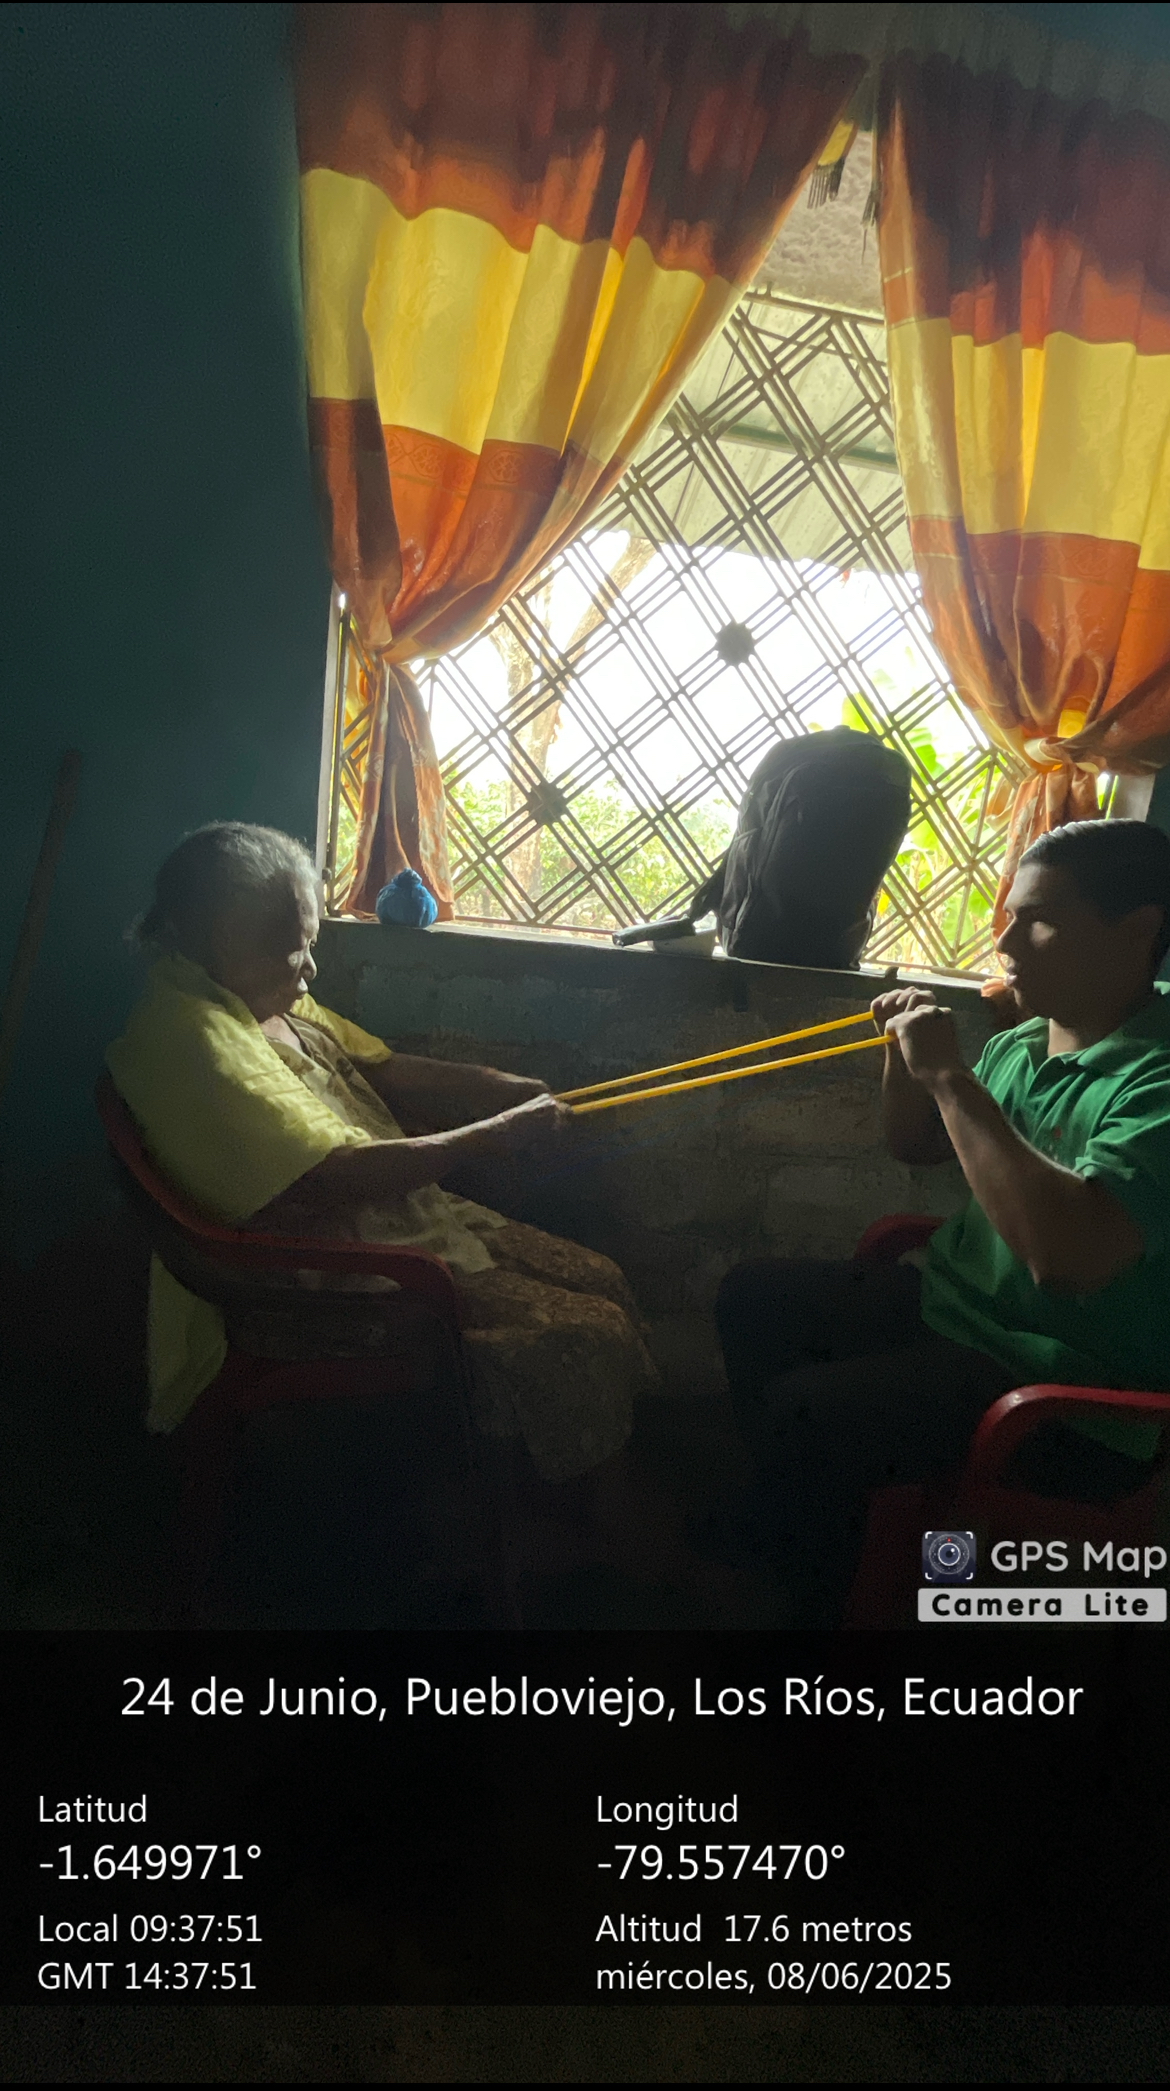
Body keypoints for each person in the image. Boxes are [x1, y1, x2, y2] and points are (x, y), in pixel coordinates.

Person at [107, 822, 662, 1568]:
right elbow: (336, 1175)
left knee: (602, 1279)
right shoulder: (195, 1038)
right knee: (585, 1333)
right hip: (332, 1273)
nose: (308, 968)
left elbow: (384, 1066)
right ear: (208, 934)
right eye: (288, 948)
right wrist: (492, 1134)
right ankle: (586, 1533)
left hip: (402, 1220)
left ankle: (563, 1489)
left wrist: (502, 1088)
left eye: (309, 941)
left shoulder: (258, 996)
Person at [714, 818, 1170, 1623]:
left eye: (1039, 920)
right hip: (957, 1316)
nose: (1006, 942)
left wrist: (951, 1078)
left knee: (809, 1411)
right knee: (753, 1298)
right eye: (1008, 915)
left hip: (1073, 1393)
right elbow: (917, 1144)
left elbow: (1065, 1258)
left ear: (1138, 931)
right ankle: (807, 1532)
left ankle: (824, 1618)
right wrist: (908, 1060)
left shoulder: (1154, 1083)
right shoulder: (1023, 1043)